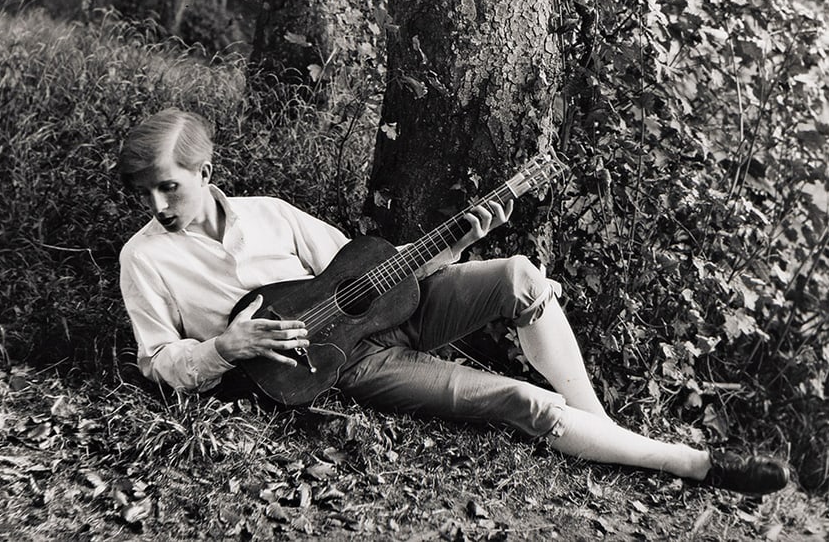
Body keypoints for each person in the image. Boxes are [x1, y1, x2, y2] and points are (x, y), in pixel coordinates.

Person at [117, 109, 790, 495]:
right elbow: (156, 358)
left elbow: (365, 274)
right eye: (145, 190)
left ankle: (607, 434)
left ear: (205, 173)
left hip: (386, 315)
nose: (157, 204)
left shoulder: (270, 214)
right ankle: (693, 463)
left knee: (520, 273)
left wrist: (459, 244)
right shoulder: (144, 260)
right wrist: (218, 349)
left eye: (169, 186)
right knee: (518, 401)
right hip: (339, 366)